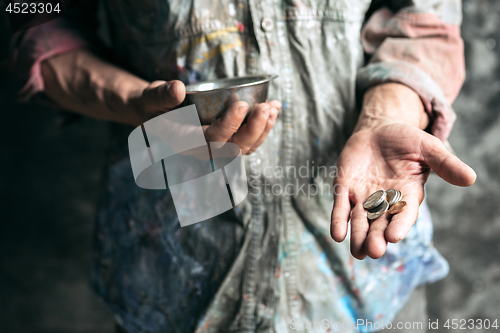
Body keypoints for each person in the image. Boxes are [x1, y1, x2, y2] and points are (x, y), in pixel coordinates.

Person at [11, 0, 476, 332]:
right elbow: (40, 21)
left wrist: (384, 115)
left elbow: (424, 17)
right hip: (174, 270)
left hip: (362, 274)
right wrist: (138, 104)